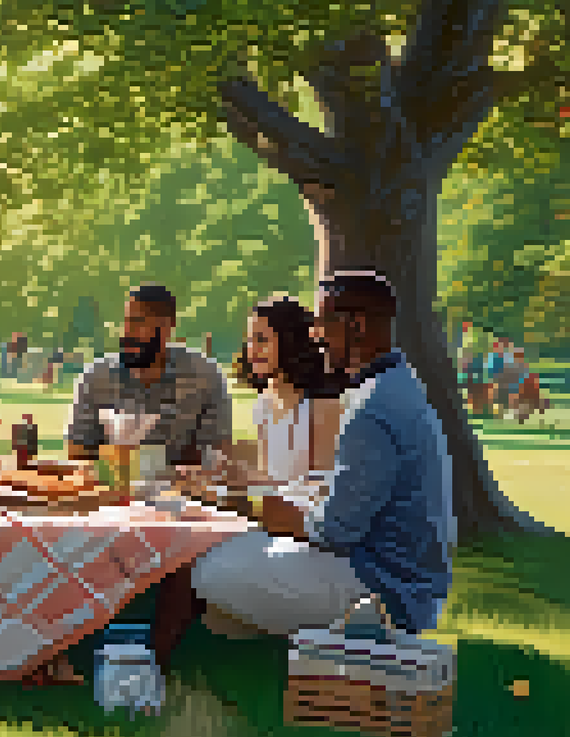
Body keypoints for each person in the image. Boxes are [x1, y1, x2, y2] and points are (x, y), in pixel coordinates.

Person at [191, 270, 454, 645]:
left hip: (389, 588)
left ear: (357, 326)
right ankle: (314, 636)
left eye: (322, 323)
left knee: (208, 570)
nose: (314, 336)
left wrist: (265, 509)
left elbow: (334, 530)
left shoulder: (370, 408)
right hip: (398, 574)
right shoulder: (394, 384)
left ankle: (365, 631)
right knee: (223, 601)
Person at [65, 283, 233, 469]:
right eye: (126, 321)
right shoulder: (95, 379)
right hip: (112, 492)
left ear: (167, 327)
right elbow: (78, 456)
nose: (127, 332)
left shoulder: (205, 378)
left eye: (138, 322)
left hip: (184, 493)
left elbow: (217, 455)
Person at [234, 296, 345, 483]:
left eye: (261, 340)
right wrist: (229, 477)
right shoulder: (264, 401)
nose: (252, 350)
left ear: (291, 343)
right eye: (250, 340)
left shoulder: (324, 406)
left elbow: (321, 488)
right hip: (279, 509)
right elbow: (269, 479)